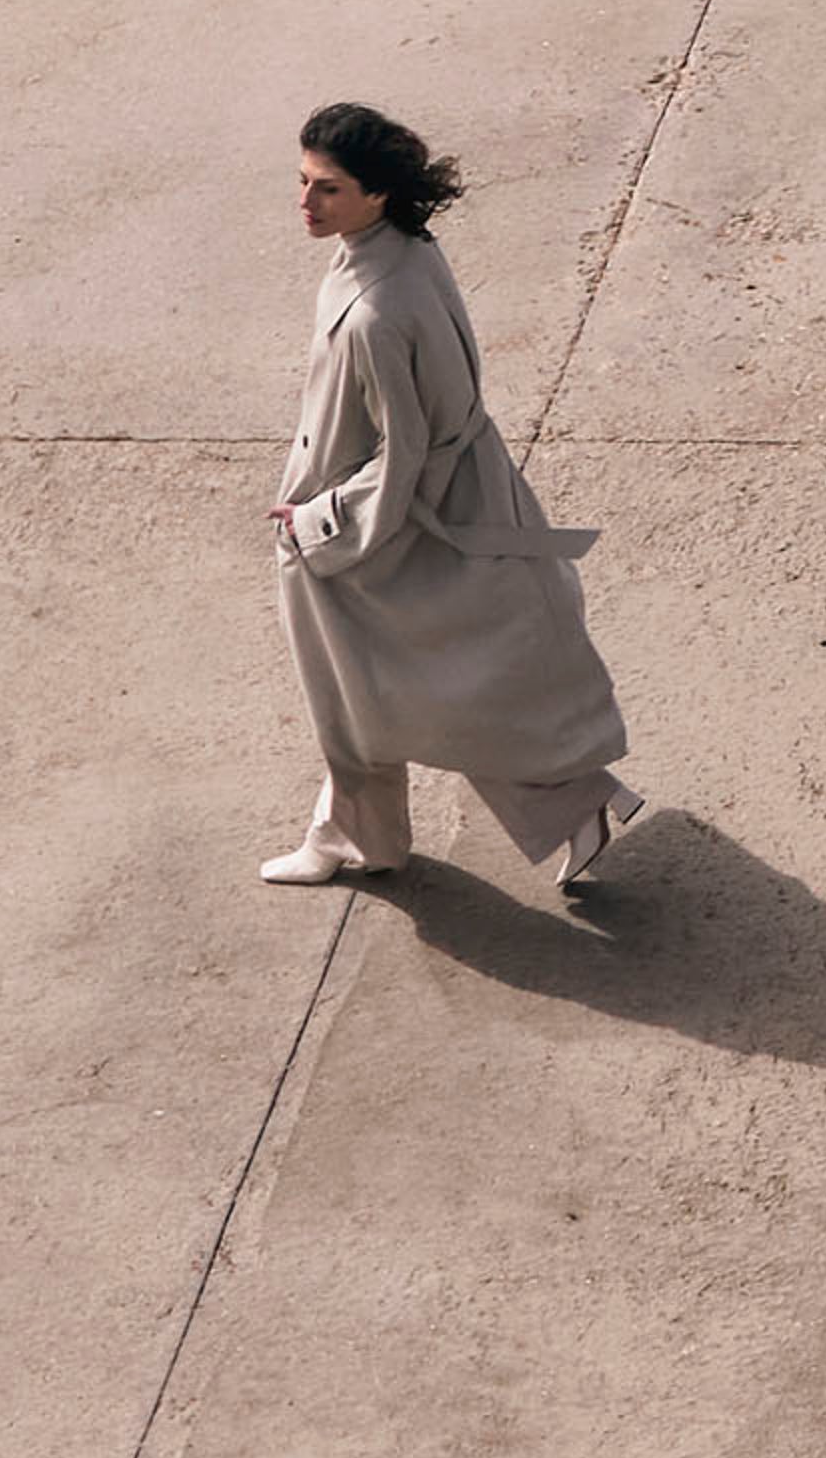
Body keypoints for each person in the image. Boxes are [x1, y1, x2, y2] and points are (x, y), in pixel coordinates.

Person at [262, 104, 644, 892]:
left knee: (393, 694)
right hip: (449, 496)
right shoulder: (401, 252)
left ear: (376, 196)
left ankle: (553, 806)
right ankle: (358, 834)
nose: (305, 203)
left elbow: (406, 454)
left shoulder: (375, 310)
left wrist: (316, 523)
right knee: (395, 690)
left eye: (327, 190)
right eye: (303, 182)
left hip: (382, 526)